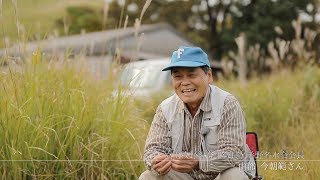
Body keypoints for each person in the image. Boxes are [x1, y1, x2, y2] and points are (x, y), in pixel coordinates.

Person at [139, 46, 255, 180]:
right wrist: (155, 161)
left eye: (192, 75)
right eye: (178, 76)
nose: (185, 82)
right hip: (185, 177)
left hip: (220, 176)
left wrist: (199, 162)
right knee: (148, 176)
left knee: (234, 175)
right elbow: (152, 150)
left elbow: (234, 153)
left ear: (209, 76)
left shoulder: (227, 104)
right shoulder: (165, 108)